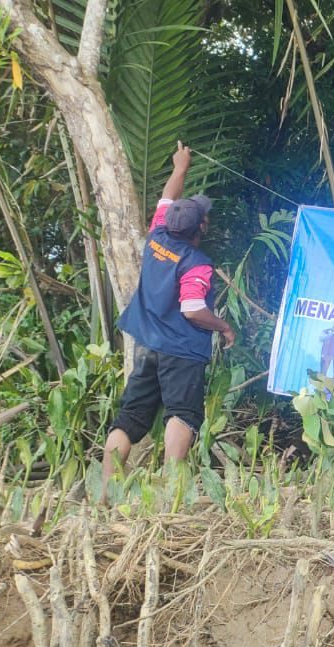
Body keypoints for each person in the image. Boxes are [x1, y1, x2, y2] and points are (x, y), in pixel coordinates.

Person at [100, 142, 236, 486]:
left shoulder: (157, 236)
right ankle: (170, 493)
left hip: (147, 344)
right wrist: (223, 326)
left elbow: (166, 198)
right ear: (201, 228)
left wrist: (180, 168)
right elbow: (192, 310)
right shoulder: (197, 264)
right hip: (181, 350)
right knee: (183, 414)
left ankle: (104, 493)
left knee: (130, 416)